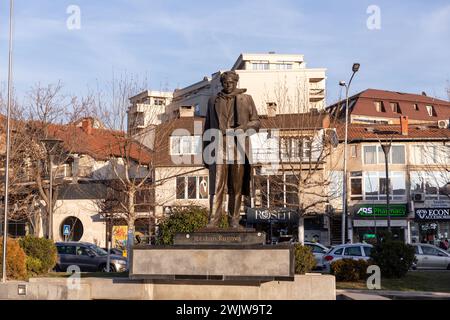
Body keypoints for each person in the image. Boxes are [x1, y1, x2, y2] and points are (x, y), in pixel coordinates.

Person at [203, 70, 260, 228]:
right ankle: (213, 220)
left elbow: (256, 123)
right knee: (216, 187)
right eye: (225, 83)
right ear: (221, 83)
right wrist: (205, 153)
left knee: (236, 186)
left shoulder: (246, 99)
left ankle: (234, 220)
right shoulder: (213, 100)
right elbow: (207, 128)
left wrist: (244, 127)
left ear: (236, 82)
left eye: (231, 82)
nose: (228, 85)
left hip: (238, 148)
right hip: (218, 147)